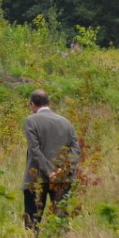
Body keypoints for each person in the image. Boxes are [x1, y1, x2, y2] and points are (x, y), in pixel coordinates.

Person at [22, 89, 80, 230]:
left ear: (32, 104)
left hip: (37, 178)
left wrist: (49, 172)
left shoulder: (31, 121)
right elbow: (75, 149)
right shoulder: (65, 122)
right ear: (48, 102)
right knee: (61, 217)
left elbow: (35, 150)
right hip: (63, 179)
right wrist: (64, 171)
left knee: (33, 218)